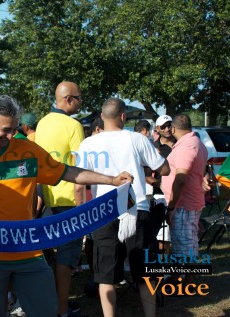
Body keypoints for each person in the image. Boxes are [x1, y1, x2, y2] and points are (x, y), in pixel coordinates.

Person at [0, 95, 133, 317]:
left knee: (46, 311)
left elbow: (67, 171)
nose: (11, 135)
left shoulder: (28, 150)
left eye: (14, 128)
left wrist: (111, 179)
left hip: (28, 250)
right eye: (5, 130)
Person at [76, 98, 170, 317]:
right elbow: (162, 168)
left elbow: (79, 180)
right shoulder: (137, 139)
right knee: (143, 270)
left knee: (105, 273)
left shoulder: (88, 143)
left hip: (103, 211)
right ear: (123, 116)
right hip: (136, 209)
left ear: (102, 116)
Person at [35, 81, 85, 317]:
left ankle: (48, 304)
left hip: (46, 199)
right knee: (66, 258)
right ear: (68, 100)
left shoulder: (42, 123)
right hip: (70, 200)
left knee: (46, 256)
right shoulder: (73, 125)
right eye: (79, 98)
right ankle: (62, 310)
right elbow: (79, 169)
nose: (81, 102)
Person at [161, 114, 207, 285]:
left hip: (183, 203)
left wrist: (171, 207)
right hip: (189, 201)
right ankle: (182, 277)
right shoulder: (195, 143)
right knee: (187, 242)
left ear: (173, 128)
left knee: (184, 244)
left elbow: (181, 178)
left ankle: (186, 282)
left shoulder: (186, 146)